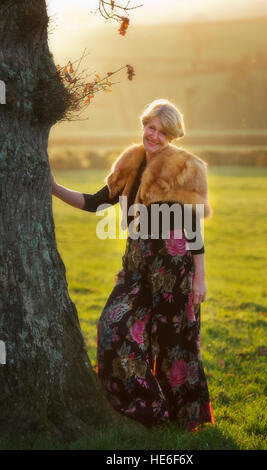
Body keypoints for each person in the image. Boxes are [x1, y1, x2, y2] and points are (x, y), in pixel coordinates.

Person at [51, 99, 214, 432]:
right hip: (138, 266)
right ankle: (147, 408)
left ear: (172, 137)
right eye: (150, 127)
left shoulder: (184, 168)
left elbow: (193, 229)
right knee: (114, 327)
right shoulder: (130, 163)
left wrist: (199, 278)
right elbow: (95, 203)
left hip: (174, 268)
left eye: (162, 132)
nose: (154, 136)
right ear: (144, 125)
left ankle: (184, 418)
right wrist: (52, 187)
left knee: (174, 341)